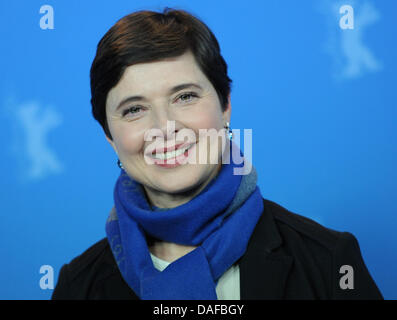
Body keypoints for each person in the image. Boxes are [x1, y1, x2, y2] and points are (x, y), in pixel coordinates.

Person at [52, 7, 383, 300]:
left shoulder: (329, 262)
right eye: (134, 108)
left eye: (184, 97)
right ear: (110, 137)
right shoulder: (77, 286)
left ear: (225, 105)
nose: (164, 127)